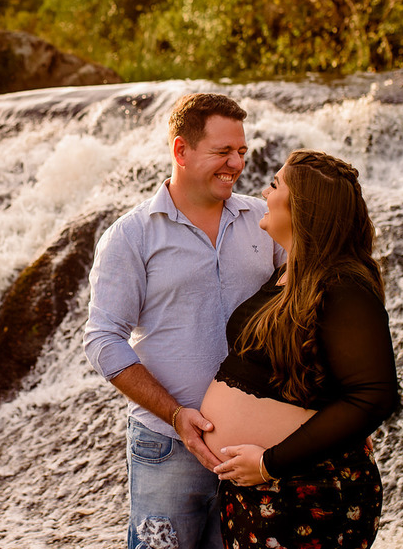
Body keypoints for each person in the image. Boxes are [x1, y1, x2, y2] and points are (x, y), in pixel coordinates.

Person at [84, 93, 285, 549]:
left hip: (254, 450)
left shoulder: (264, 220)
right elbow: (102, 339)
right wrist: (175, 414)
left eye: (241, 152)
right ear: (181, 150)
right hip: (166, 445)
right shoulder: (132, 235)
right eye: (222, 152)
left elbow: (302, 304)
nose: (236, 163)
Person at [206, 150, 399, 549]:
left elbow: (374, 396)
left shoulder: (344, 285)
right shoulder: (291, 273)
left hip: (308, 493)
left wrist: (268, 463)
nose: (263, 190)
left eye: (275, 185)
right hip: (259, 492)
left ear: (302, 208)